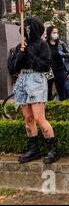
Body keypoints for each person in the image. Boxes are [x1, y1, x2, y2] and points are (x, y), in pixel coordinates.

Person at [8, 17, 60, 164]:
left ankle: (53, 149)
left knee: (39, 118)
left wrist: (29, 54)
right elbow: (13, 68)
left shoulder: (42, 45)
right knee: (28, 118)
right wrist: (20, 53)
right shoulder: (20, 46)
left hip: (36, 80)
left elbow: (44, 65)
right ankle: (33, 149)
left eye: (27, 27)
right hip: (22, 81)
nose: (23, 30)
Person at [46, 26, 69, 101]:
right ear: (49, 33)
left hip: (59, 70)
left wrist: (64, 55)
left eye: (57, 33)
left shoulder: (61, 44)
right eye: (54, 33)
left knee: (62, 90)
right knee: (48, 90)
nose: (56, 34)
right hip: (48, 71)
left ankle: (63, 106)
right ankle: (49, 107)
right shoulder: (44, 44)